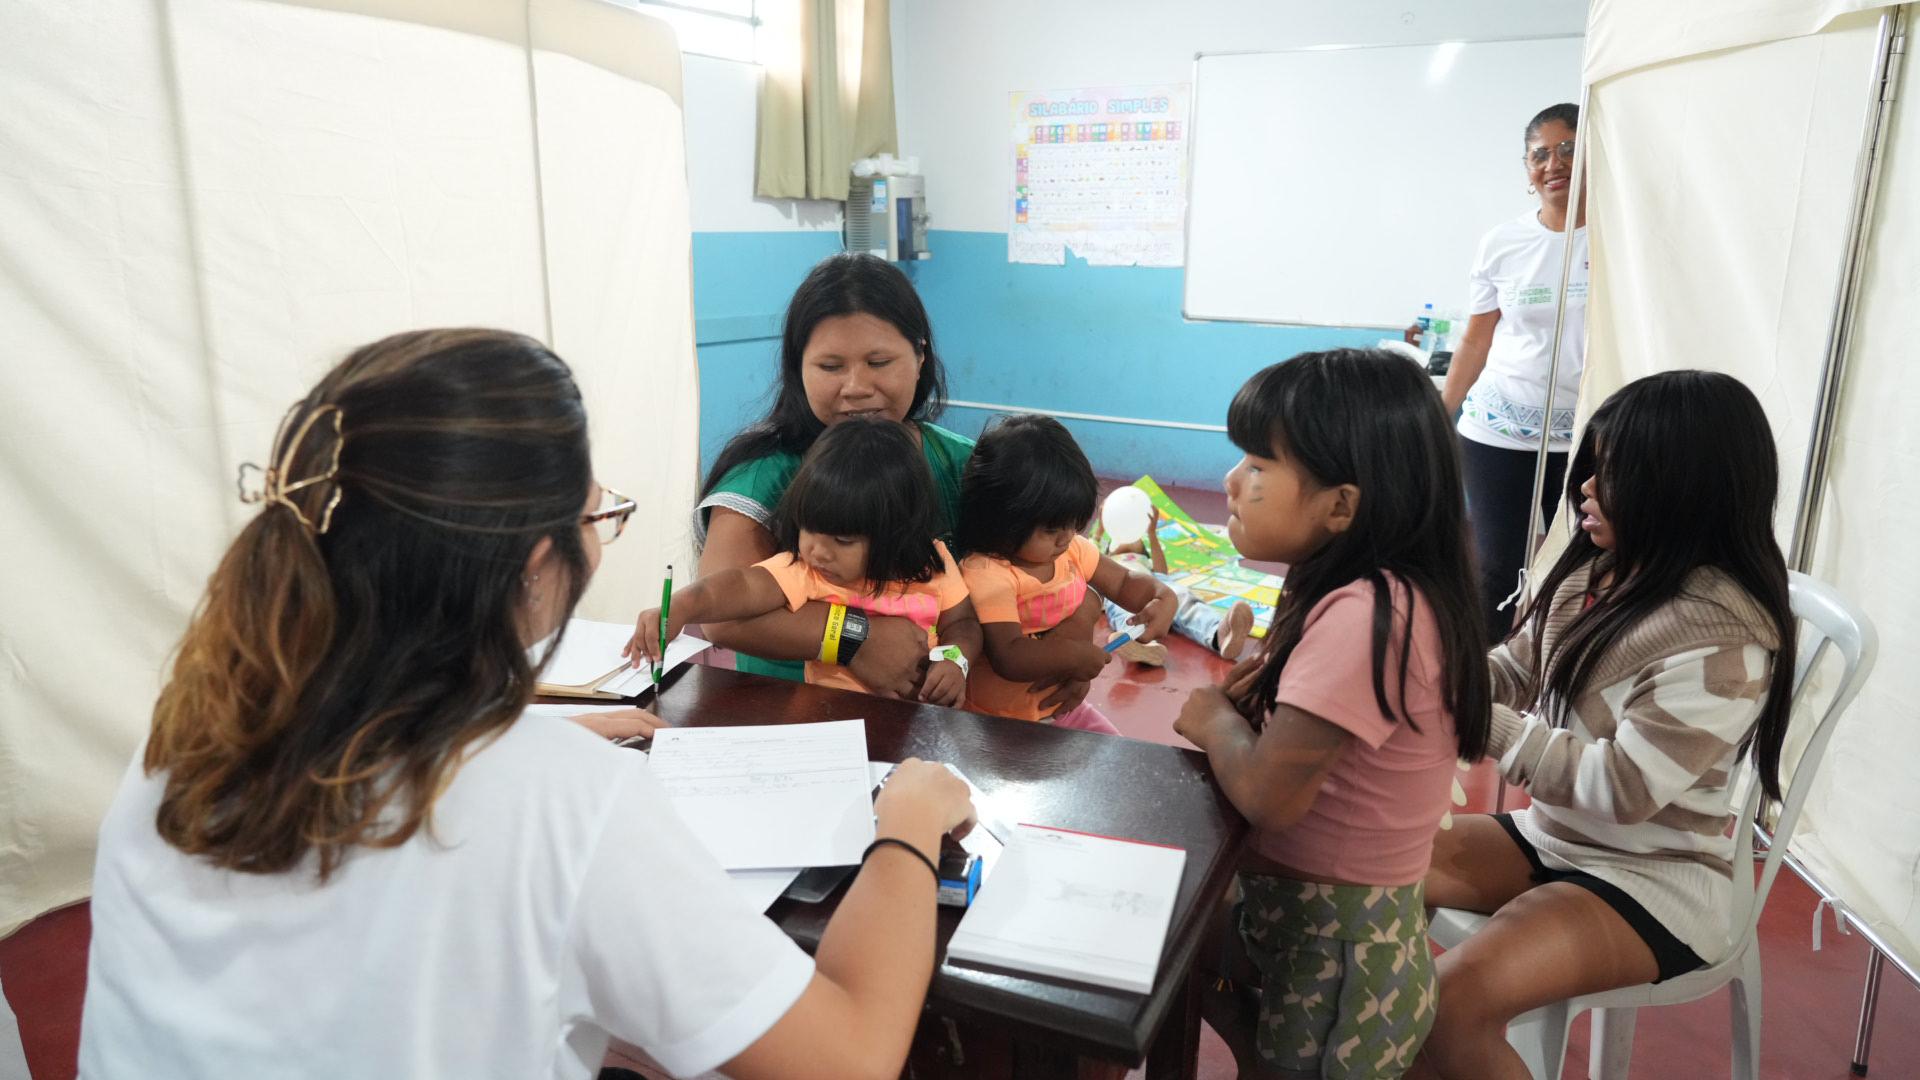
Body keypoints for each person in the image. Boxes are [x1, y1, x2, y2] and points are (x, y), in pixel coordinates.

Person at [79, 329, 977, 1080]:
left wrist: (540, 737)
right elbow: (849, 1057)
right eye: (598, 516)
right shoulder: (567, 802)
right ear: (536, 564)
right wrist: (907, 822)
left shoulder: (189, 736)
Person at [1408, 372, 1797, 1080]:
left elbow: (1622, 789)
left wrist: (1477, 720)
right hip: (1556, 839)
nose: (1585, 486)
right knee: (1356, 870)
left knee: (1447, 1006)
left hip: (1656, 880)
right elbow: (1515, 669)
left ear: (1682, 489)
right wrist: (1430, 674)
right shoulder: (1597, 576)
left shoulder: (1723, 639)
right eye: (1591, 465)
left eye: (1610, 473)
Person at [1174, 350, 1491, 1080]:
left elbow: (1270, 797)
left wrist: (1216, 720)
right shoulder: (1381, 594)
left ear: (1342, 506)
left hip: (1336, 964)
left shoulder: (1367, 616)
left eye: (1258, 465)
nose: (1231, 482)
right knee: (1181, 942)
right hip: (1312, 932)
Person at [693, 254, 1099, 715]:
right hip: (799, 719)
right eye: (830, 366)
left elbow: (1055, 557)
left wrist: (1075, 633)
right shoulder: (765, 477)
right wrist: (853, 639)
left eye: (879, 361)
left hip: (952, 721)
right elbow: (722, 619)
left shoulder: (965, 463)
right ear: (798, 368)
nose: (856, 386)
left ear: (920, 356)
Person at [633, 418, 982, 706]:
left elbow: (962, 623)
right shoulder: (808, 571)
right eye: (808, 529)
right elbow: (742, 585)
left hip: (921, 720)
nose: (817, 551)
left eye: (843, 540)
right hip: (829, 715)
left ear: (896, 533)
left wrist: (955, 661)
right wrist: (683, 606)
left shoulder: (933, 564)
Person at [1442, 102, 1588, 639]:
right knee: (1498, 570)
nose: (1554, 163)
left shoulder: (1621, 241)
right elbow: (1476, 339)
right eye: (1540, 154)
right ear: (1527, 169)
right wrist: (1438, 414)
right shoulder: (1502, 243)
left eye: (1568, 148)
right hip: (1498, 430)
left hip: (1585, 435)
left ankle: (1558, 671)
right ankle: (1486, 678)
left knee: (1582, 570)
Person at [952, 414, 1177, 733]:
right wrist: (1074, 655)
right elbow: (1009, 655)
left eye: (1074, 523)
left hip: (1063, 709)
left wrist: (1162, 596)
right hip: (995, 721)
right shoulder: (988, 573)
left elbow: (1123, 582)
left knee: (1114, 753)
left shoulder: (1072, 550)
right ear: (1000, 519)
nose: (1066, 537)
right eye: (1052, 528)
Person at [1095, 504, 1259, 665]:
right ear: (1108, 551)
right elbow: (1090, 559)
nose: (1126, 539)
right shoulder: (1108, 565)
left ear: (1143, 551)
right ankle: (1142, 645)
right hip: (1122, 591)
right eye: (1118, 540)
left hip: (1155, 587)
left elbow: (1162, 573)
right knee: (1122, 608)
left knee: (1182, 597)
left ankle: (1219, 634)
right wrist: (1100, 529)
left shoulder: (1145, 562)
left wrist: (1151, 534)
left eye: (1134, 540)